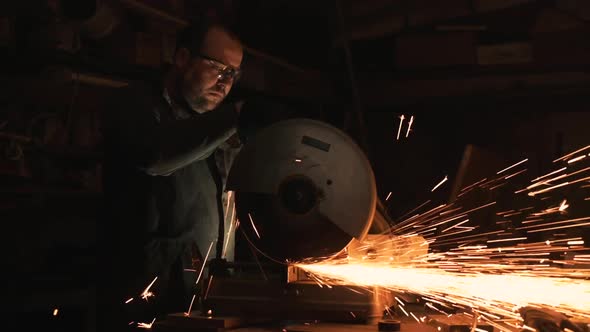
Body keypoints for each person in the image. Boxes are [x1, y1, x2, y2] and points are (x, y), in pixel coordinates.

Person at [99, 18, 244, 330]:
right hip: (147, 300)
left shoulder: (220, 129)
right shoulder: (134, 105)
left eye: (233, 73)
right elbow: (154, 156)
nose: (225, 82)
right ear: (181, 58)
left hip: (206, 296)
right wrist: (232, 118)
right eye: (217, 67)